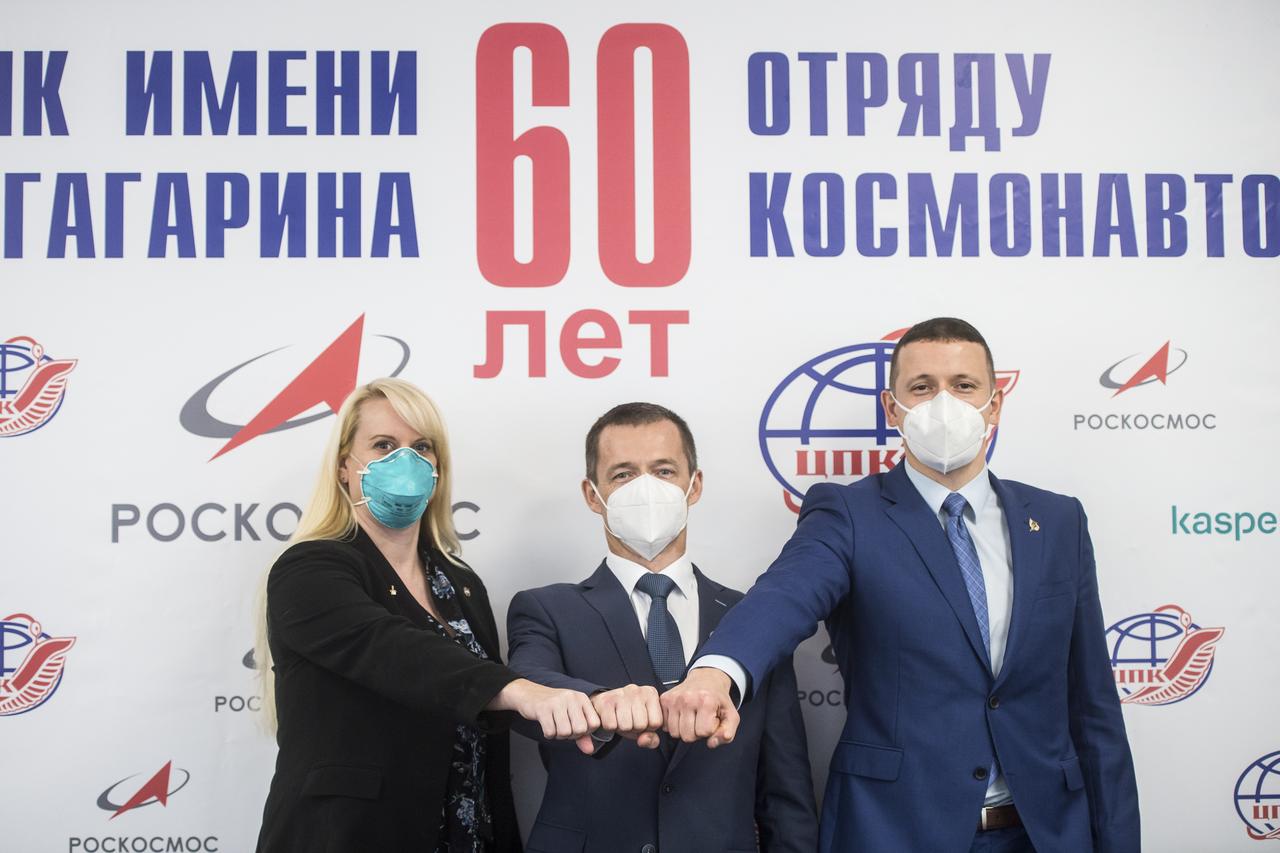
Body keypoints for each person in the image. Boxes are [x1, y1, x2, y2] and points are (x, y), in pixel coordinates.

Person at [662, 319, 1141, 853]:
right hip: (895, 831)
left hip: (1045, 832)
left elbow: (1094, 707)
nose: (944, 403)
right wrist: (717, 671)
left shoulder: (1058, 521)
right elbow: (783, 595)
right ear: (893, 409)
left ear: (995, 404)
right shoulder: (848, 515)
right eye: (922, 387)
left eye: (964, 385)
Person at [254, 377, 603, 853]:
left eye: (421, 447)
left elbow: (485, 731)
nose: (406, 461)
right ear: (344, 467)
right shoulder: (310, 568)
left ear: (438, 468)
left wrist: (591, 706)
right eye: (383, 445)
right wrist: (521, 690)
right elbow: (390, 649)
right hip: (349, 835)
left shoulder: (460, 582)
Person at [506, 402, 818, 853]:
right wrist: (600, 701)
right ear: (593, 494)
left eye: (664, 471)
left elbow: (785, 791)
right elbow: (525, 685)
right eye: (623, 474)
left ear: (695, 485)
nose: (646, 488)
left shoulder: (752, 617)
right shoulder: (546, 608)